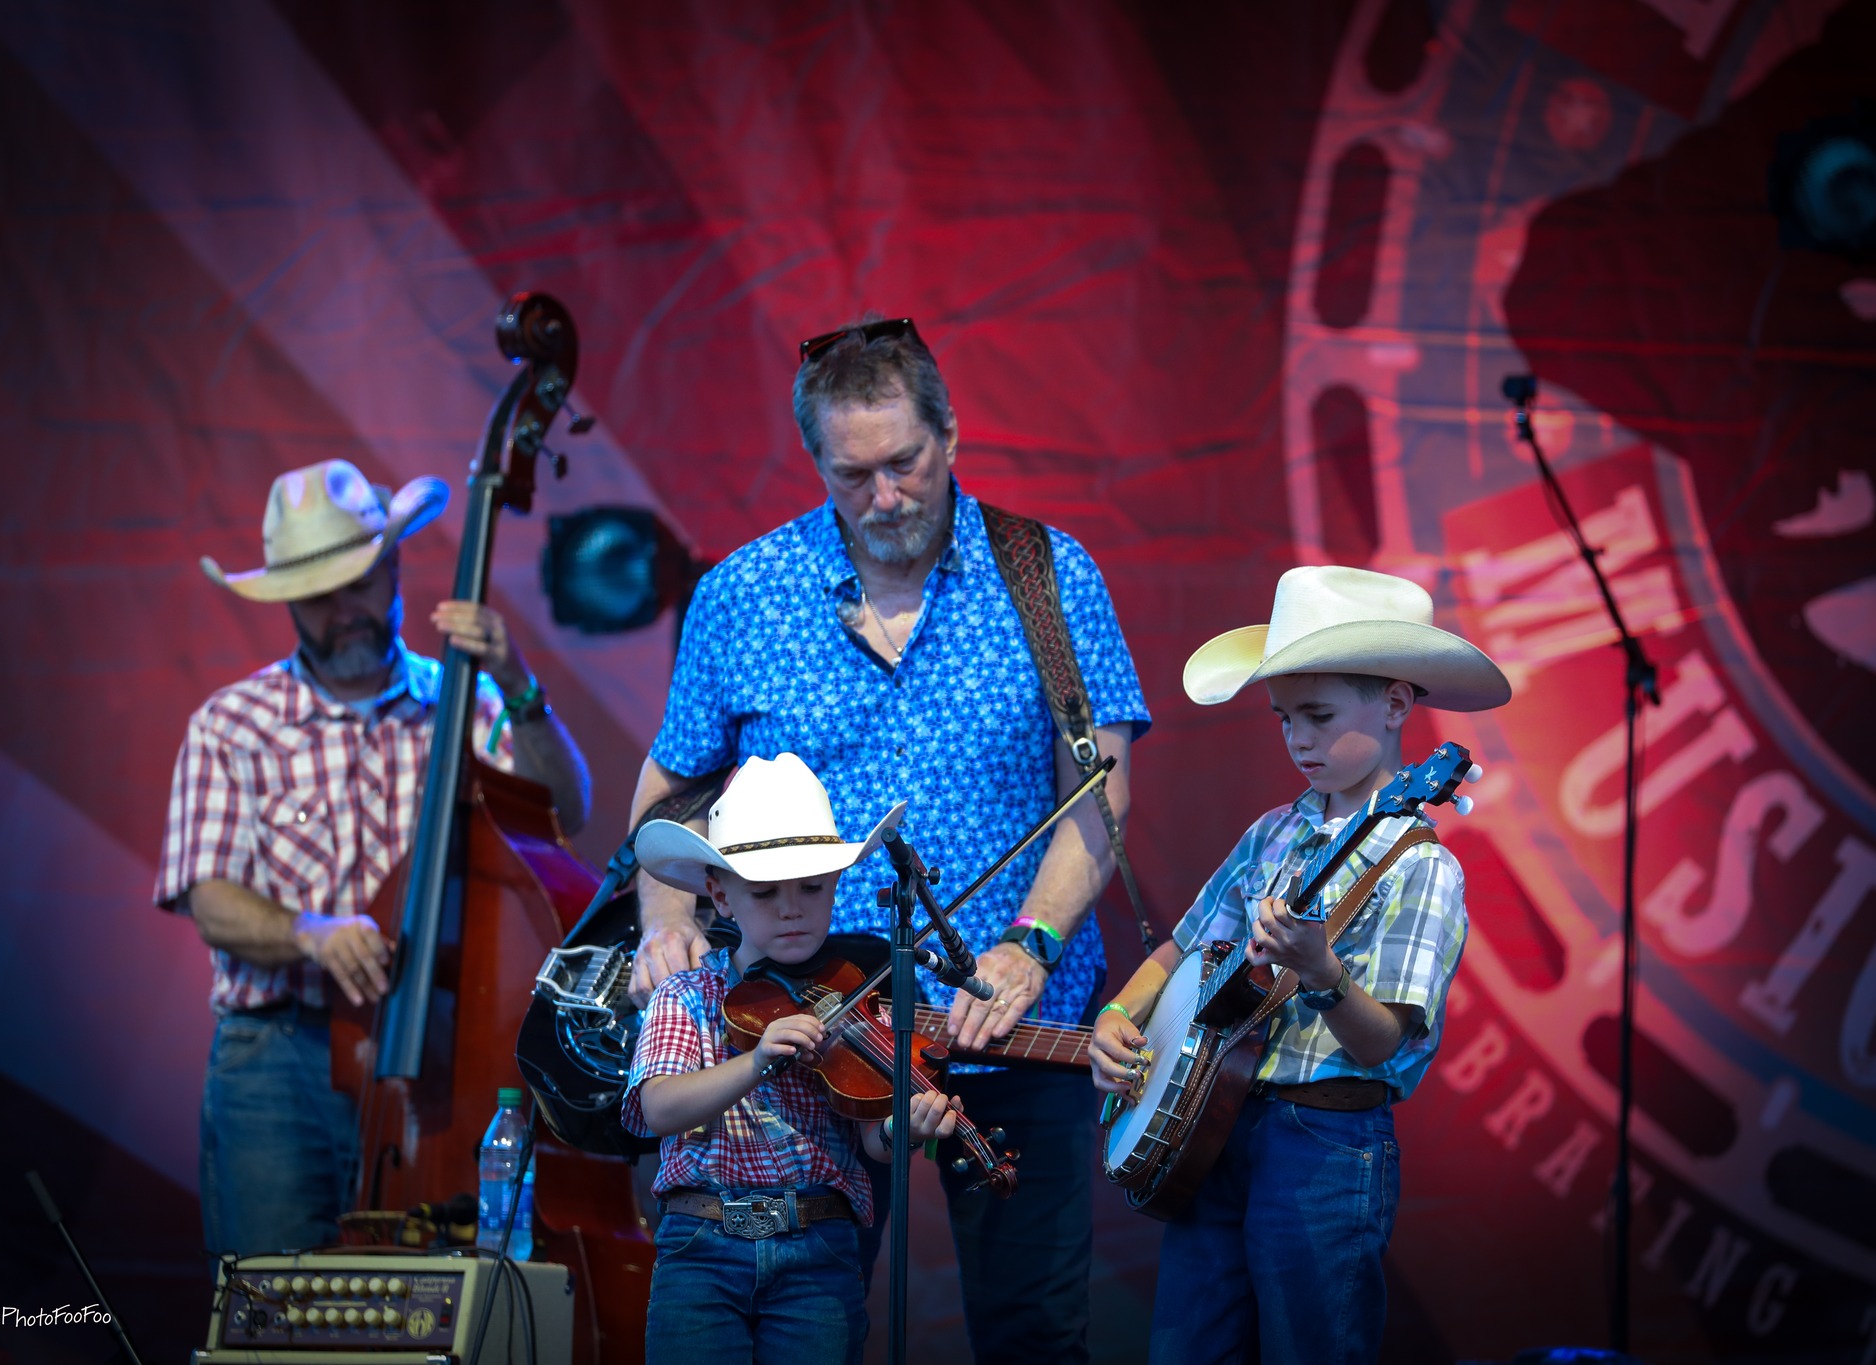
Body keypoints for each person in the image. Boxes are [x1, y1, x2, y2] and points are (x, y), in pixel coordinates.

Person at [629, 317, 1150, 1362]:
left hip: (1008, 1020)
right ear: (816, 462)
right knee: (800, 1328)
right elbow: (668, 786)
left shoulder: (1047, 577)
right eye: (852, 473)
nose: (886, 497)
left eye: (904, 462)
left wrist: (1030, 942)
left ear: (949, 435)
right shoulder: (743, 592)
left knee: (1031, 1331)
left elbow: (1099, 797)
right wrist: (666, 916)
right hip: (805, 1029)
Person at [154, 459, 592, 1261]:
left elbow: (564, 813)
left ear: (393, 566)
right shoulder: (231, 723)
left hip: (431, 1049)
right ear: (285, 600)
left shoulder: (458, 700)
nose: (344, 610)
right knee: (274, 1311)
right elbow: (207, 896)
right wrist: (312, 932)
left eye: (358, 581)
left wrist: (517, 682)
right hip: (277, 1054)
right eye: (318, 596)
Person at [1088, 565, 1511, 1364]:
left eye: (1317, 715)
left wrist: (1322, 971)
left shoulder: (1420, 865)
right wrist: (1120, 1015)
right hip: (1210, 1127)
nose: (1298, 739)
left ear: (1395, 703)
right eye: (1285, 719)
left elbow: (1384, 1042)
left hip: (1324, 1142)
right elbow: (1179, 948)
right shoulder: (1271, 832)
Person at [626, 752, 962, 1365]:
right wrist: (753, 1064)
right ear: (719, 895)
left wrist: (902, 1129)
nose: (791, 908)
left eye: (812, 888)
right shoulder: (689, 996)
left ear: (836, 886)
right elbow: (657, 1108)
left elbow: (871, 1141)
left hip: (819, 1250)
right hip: (701, 1247)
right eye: (765, 892)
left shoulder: (857, 996)